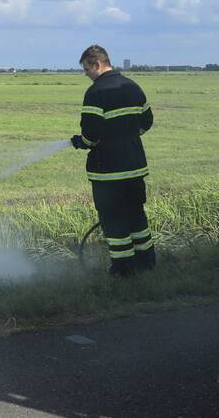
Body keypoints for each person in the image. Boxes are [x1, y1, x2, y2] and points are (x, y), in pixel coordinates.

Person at [71, 45, 155, 276]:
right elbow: (146, 121)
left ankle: (123, 270)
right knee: (136, 215)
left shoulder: (96, 92)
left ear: (97, 64)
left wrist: (81, 142)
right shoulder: (132, 86)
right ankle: (147, 264)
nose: (86, 74)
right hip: (135, 169)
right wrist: (126, 137)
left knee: (114, 221)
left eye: (86, 69)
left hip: (107, 172)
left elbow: (91, 135)